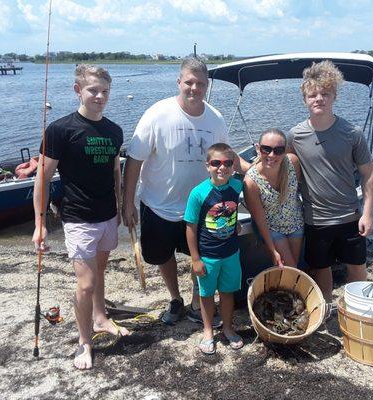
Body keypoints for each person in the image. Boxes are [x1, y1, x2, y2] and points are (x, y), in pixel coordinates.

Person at [122, 57, 249, 326]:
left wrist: (255, 171)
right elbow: (134, 160)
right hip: (159, 204)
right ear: (179, 81)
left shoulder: (215, 118)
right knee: (162, 255)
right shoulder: (157, 113)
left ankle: (195, 301)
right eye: (189, 82)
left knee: (201, 256)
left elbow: (228, 157)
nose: (194, 88)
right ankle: (175, 298)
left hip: (203, 205)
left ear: (207, 85)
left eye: (200, 84)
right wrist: (127, 202)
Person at [32, 64, 126, 370]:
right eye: (93, 90)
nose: (100, 96)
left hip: (108, 215)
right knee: (85, 284)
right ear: (78, 90)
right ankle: (84, 342)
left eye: (105, 91)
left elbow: (115, 173)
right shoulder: (60, 130)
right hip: (78, 218)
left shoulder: (114, 130)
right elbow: (42, 180)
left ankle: (100, 317)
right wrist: (40, 224)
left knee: (99, 273)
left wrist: (123, 206)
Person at [288, 60, 373, 304]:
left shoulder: (352, 133)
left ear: (334, 96)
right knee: (321, 268)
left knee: (357, 267)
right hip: (315, 219)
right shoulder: (295, 135)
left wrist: (367, 214)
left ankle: (359, 307)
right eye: (313, 94)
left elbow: (368, 174)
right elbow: (276, 163)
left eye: (325, 93)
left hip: (349, 216)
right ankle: (325, 305)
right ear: (305, 99)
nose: (319, 99)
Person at [184, 143, 244, 354]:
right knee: (207, 294)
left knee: (228, 293)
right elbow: (190, 228)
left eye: (227, 163)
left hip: (231, 253)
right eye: (216, 163)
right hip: (208, 256)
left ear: (233, 166)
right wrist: (195, 259)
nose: (222, 168)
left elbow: (255, 182)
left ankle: (227, 328)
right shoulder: (198, 193)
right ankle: (208, 331)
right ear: (207, 166)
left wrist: (235, 223)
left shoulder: (236, 186)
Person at [243, 129, 303, 267]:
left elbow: (302, 190)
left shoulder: (293, 162)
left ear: (285, 150)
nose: (271, 155)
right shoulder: (251, 181)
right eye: (266, 149)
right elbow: (260, 220)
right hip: (273, 229)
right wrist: (272, 250)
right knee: (290, 268)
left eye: (278, 150)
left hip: (297, 223)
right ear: (258, 148)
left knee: (294, 267)